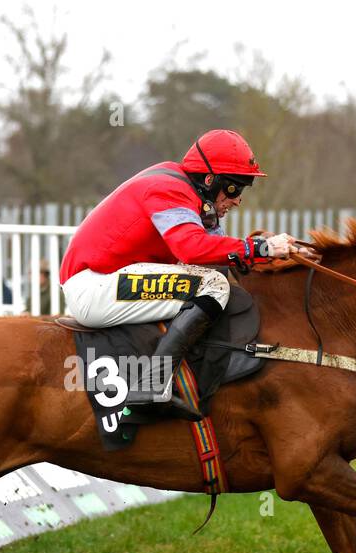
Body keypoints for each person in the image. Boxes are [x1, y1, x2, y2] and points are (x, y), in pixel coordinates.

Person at [59, 128, 303, 414]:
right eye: (234, 188)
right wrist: (260, 248)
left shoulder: (193, 197)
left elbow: (219, 256)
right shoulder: (170, 189)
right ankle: (152, 383)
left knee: (215, 280)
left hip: (109, 281)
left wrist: (286, 256)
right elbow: (192, 250)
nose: (237, 200)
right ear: (210, 180)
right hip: (94, 287)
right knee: (214, 286)